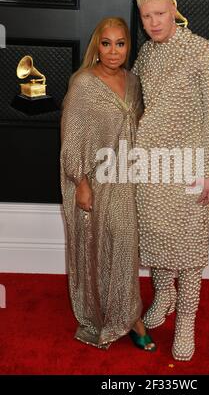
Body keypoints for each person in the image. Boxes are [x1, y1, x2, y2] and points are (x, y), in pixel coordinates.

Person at [132, 0, 209, 361]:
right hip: (148, 166)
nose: (154, 22)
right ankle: (162, 297)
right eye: (146, 16)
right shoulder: (145, 53)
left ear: (174, 8)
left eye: (160, 13)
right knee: (155, 239)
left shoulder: (205, 52)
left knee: (188, 250)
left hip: (190, 167)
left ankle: (186, 321)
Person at [60, 17, 156, 351]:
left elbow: (143, 127)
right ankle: (104, 314)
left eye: (120, 43)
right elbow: (71, 139)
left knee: (125, 248)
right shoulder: (84, 83)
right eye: (106, 43)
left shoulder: (133, 82)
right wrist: (81, 183)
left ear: (128, 47)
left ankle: (129, 315)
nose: (113, 51)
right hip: (96, 180)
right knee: (98, 249)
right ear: (96, 47)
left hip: (129, 178)